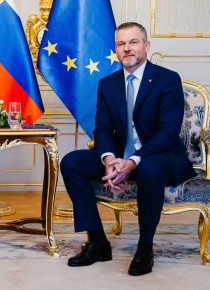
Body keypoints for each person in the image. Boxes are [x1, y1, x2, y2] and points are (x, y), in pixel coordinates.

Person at [60, 22, 195, 276]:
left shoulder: (167, 79)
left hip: (160, 156)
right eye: (121, 44)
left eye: (133, 42)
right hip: (121, 155)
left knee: (149, 169)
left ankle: (145, 248)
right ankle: (98, 242)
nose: (127, 48)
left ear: (146, 45)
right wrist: (109, 159)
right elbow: (102, 129)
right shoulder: (108, 84)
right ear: (116, 50)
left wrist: (133, 161)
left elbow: (168, 132)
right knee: (71, 162)